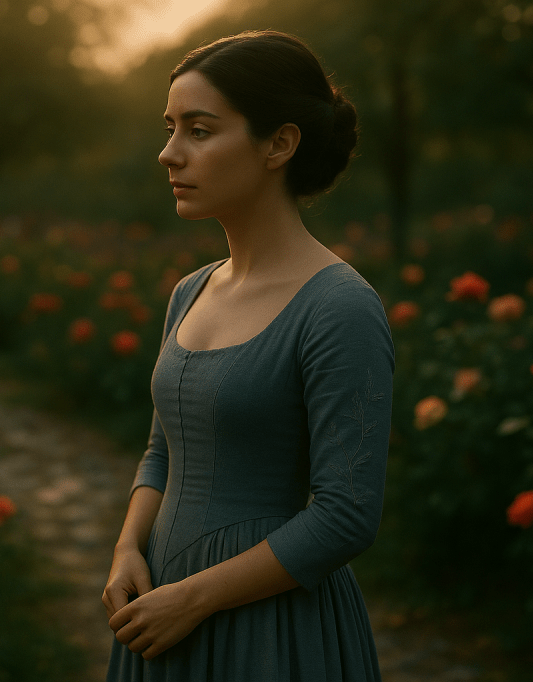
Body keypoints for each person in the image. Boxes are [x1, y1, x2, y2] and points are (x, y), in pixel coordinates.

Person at [102, 30, 394, 681]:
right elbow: (162, 452)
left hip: (272, 628)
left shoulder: (339, 306)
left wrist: (195, 597)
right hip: (160, 613)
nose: (168, 153)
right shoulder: (190, 291)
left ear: (279, 144)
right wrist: (127, 549)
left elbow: (347, 516)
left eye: (199, 131)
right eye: (170, 127)